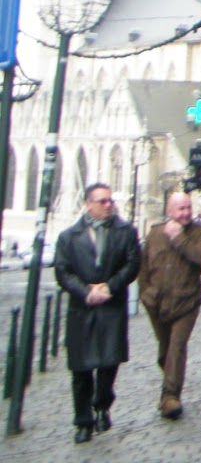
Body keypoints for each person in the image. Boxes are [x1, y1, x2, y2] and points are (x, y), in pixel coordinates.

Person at [54, 182, 140, 443]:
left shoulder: (125, 232)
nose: (108, 205)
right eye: (102, 201)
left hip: (111, 306)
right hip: (82, 309)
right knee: (81, 369)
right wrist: (85, 291)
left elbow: (132, 264)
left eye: (110, 200)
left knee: (109, 363)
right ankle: (83, 422)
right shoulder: (69, 237)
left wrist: (109, 287)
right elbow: (63, 271)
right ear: (88, 204)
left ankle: (102, 404)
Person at [138, 190, 201, 420]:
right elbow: (144, 268)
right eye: (181, 208)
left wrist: (179, 238)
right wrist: (145, 294)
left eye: (188, 207)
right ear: (169, 211)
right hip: (157, 303)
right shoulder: (155, 234)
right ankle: (171, 383)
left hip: (187, 302)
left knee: (176, 347)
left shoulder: (198, 233)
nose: (186, 213)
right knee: (164, 351)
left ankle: (170, 397)